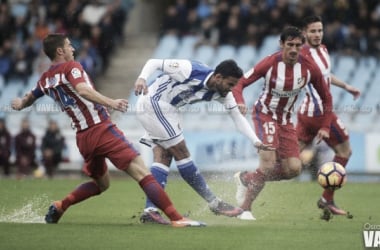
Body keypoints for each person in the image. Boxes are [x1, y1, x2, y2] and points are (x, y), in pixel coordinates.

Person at [11, 33, 204, 227]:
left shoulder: (45, 79)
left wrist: (19, 103)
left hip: (83, 138)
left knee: (101, 184)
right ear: (60, 51)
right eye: (69, 46)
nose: (73, 49)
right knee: (142, 172)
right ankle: (177, 218)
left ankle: (61, 205)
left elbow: (29, 97)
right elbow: (83, 90)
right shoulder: (72, 67)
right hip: (100, 129)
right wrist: (111, 102)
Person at [134, 58, 271, 224]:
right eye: (230, 84)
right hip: (153, 103)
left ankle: (150, 211)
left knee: (164, 156)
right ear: (218, 77)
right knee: (181, 152)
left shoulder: (223, 93)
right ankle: (214, 202)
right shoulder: (189, 69)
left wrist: (256, 142)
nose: (231, 89)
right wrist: (142, 78)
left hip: (169, 110)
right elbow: (154, 62)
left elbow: (237, 118)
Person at [232, 26, 333, 220]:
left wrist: (326, 126)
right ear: (281, 44)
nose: (294, 49)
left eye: (298, 45)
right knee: (268, 163)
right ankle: (245, 209)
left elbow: (326, 98)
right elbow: (240, 82)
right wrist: (240, 101)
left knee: (294, 169)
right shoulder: (270, 62)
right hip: (265, 114)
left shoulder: (309, 67)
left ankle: (247, 178)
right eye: (290, 45)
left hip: (286, 120)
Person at [296, 15, 361, 216]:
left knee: (289, 162)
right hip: (320, 113)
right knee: (344, 152)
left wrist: (346, 86)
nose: (317, 35)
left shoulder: (323, 50)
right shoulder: (302, 55)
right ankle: (326, 199)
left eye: (320, 30)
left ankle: (251, 180)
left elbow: (325, 76)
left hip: (305, 113)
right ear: (305, 33)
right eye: (313, 31)